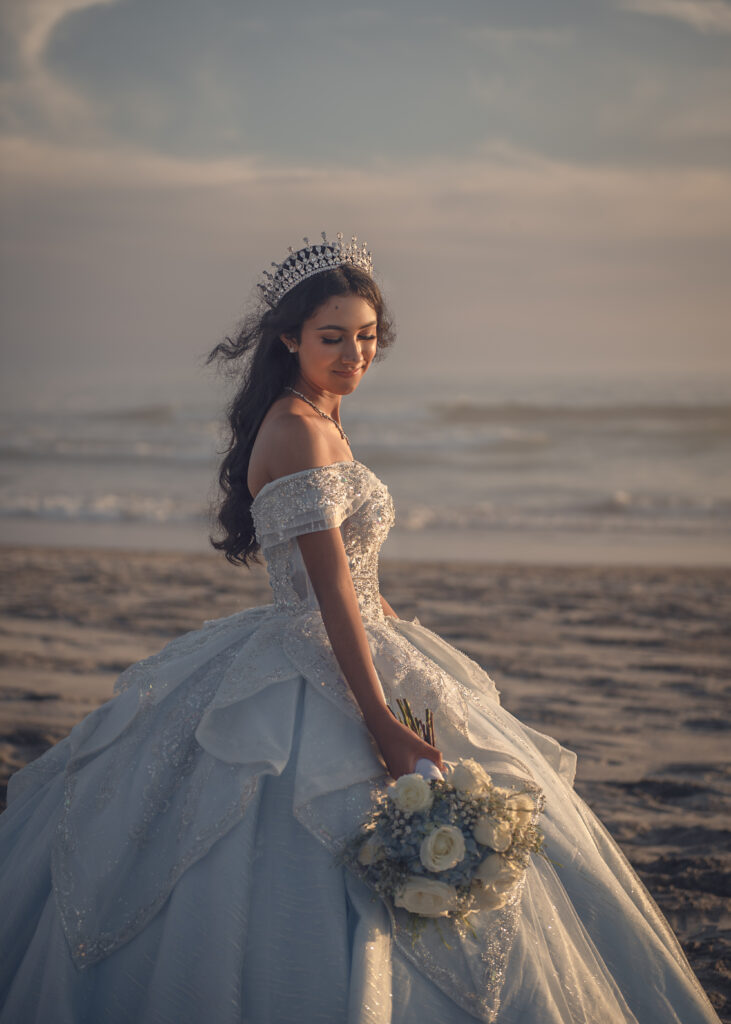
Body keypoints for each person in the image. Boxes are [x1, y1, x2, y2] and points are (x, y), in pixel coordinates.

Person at [0, 233, 721, 1024]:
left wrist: (395, 636)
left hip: (355, 631)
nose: (354, 354)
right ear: (289, 337)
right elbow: (329, 588)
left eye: (367, 337)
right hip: (318, 644)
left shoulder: (317, 416)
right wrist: (380, 719)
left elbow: (353, 575)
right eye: (333, 337)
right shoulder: (303, 430)